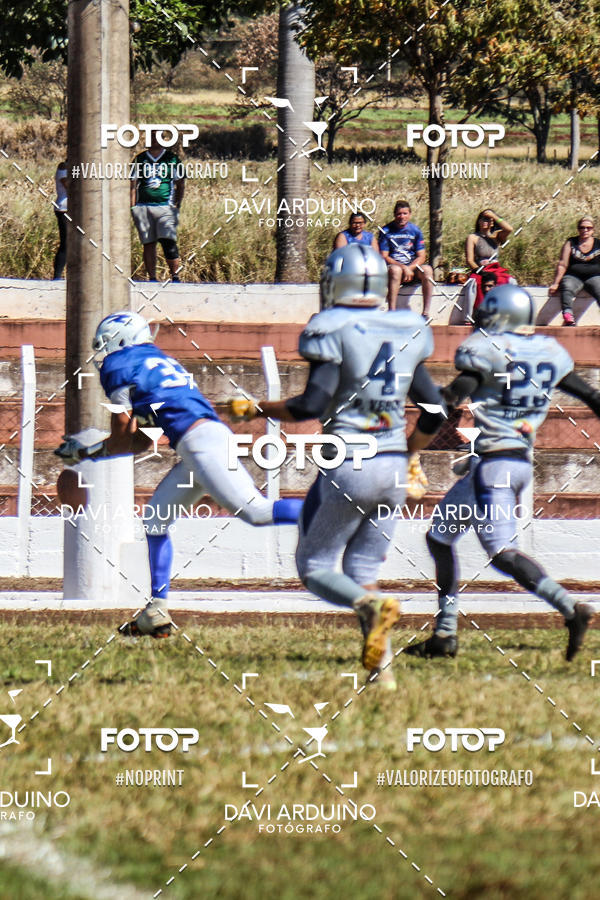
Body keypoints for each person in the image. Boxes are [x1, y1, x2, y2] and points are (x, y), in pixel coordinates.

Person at [229, 244, 446, 688]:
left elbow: (312, 403)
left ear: (334, 284)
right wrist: (410, 452)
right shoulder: (407, 327)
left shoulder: (332, 327)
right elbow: (435, 413)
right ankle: (381, 675)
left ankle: (369, 608)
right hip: (392, 470)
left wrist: (256, 409)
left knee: (315, 567)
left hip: (351, 461)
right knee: (364, 573)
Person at [55, 311, 302, 637]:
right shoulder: (155, 360)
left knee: (256, 512)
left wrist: (84, 453)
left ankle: (331, 512)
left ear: (119, 340)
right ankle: (155, 611)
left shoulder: (119, 366)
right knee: (156, 518)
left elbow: (120, 439)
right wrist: (90, 453)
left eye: (104, 345)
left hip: (202, 446)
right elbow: (140, 441)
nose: (102, 354)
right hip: (199, 445)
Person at [406, 284, 597, 661]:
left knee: (502, 554)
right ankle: (444, 634)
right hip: (513, 461)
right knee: (440, 538)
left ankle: (570, 608)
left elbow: (456, 394)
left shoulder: (488, 351)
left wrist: (419, 390)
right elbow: (592, 397)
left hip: (494, 465)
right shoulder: (547, 353)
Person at [130, 135, 185, 282]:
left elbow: (180, 183)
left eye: (156, 138)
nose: (152, 141)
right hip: (144, 206)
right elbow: (133, 185)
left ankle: (175, 275)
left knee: (168, 241)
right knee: (148, 243)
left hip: (165, 205)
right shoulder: (140, 159)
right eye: (150, 137)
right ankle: (152, 277)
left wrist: (177, 203)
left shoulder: (171, 159)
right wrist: (133, 206)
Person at [378, 200, 434, 315]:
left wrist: (410, 268)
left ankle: (426, 312)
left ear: (410, 214)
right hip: (393, 266)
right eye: (399, 214)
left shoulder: (415, 231)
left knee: (427, 270)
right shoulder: (386, 231)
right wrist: (403, 267)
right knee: (396, 270)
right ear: (394, 215)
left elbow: (422, 256)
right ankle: (392, 310)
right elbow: (384, 255)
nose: (402, 217)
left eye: (405, 213)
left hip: (412, 268)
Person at [549, 216, 600, 326]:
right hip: (573, 276)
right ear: (578, 229)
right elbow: (562, 264)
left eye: (588, 228)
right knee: (567, 286)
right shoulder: (571, 243)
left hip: (594, 276)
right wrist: (555, 283)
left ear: (593, 230)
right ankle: (568, 314)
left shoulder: (598, 244)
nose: (585, 230)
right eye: (582, 227)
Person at [465, 208, 514, 308]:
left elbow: (509, 229)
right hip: (481, 269)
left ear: (492, 223)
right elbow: (470, 260)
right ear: (479, 221)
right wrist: (479, 271)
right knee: (473, 283)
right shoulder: (472, 237)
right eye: (483, 219)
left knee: (510, 281)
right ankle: (468, 316)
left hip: (495, 269)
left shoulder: (496, 236)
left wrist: (494, 217)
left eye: (488, 220)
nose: (484, 222)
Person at [53, 160, 68, 280]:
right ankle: (57, 275)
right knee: (66, 243)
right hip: (63, 209)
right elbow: (70, 187)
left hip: (74, 209)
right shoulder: (63, 167)